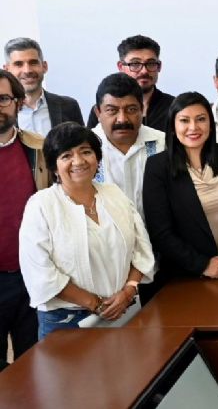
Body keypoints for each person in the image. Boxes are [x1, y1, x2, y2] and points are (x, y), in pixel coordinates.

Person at [19, 122, 155, 339]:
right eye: (66, 155)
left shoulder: (114, 194)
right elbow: (41, 272)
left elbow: (140, 249)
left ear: (97, 159)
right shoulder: (41, 205)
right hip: (67, 321)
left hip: (124, 311)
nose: (78, 161)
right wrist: (97, 304)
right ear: (54, 166)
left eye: (86, 152)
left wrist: (129, 291)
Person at [142, 93, 218, 303]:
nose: (193, 127)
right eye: (184, 120)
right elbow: (160, 233)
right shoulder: (157, 167)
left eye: (201, 119)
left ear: (211, 124)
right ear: (172, 126)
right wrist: (203, 265)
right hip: (183, 278)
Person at [0, 70, 51, 370]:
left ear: (18, 103)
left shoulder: (40, 149)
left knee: (35, 364)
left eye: (4, 98)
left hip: (33, 277)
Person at [91, 73, 166, 217]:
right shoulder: (85, 149)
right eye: (112, 111)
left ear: (142, 109)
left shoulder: (163, 143)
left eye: (131, 110)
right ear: (98, 113)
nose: (122, 119)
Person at [86, 35, 174, 131]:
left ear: (159, 66)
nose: (144, 71)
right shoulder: (104, 109)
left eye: (151, 63)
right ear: (121, 67)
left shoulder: (174, 108)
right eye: (135, 64)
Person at [4, 37, 83, 136]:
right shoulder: (3, 110)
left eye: (33, 62)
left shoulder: (69, 106)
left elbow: (81, 146)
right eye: (19, 64)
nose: (27, 70)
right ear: (7, 70)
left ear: (44, 66)